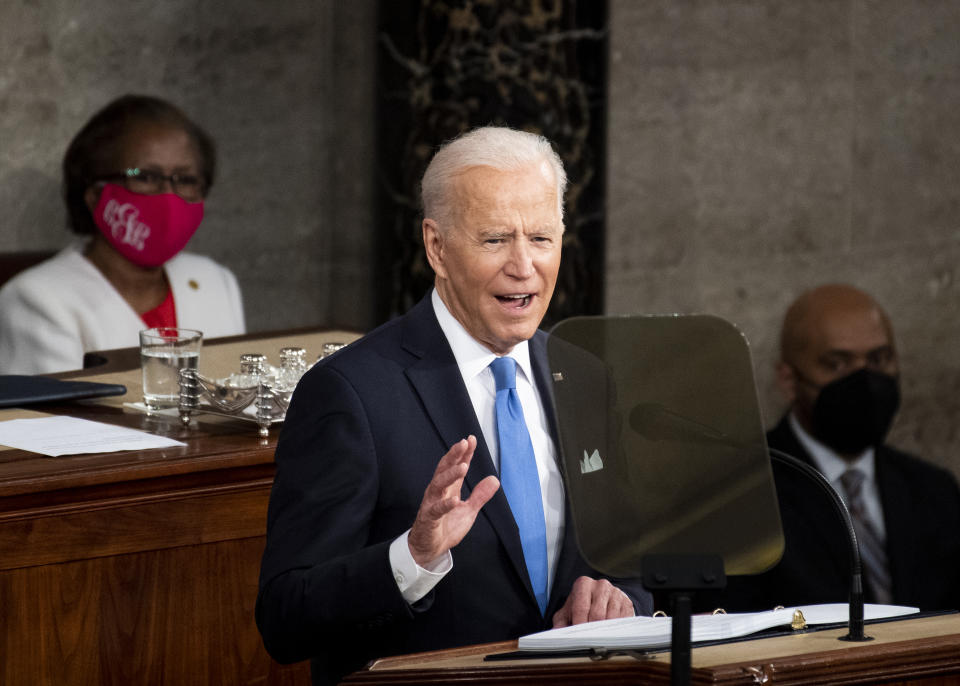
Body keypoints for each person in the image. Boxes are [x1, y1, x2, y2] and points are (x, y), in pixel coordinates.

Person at [256, 126, 652, 685]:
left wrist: (619, 596)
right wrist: (411, 558)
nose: (524, 266)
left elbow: (627, 559)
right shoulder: (351, 393)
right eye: (495, 240)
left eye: (541, 238)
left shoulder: (582, 375)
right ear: (437, 247)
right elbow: (284, 618)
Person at [720, 284, 960, 612]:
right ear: (789, 381)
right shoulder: (740, 498)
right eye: (837, 364)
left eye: (879, 359)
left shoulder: (935, 492)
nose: (864, 379)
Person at [0, 95, 245, 374]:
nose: (168, 196)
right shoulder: (36, 300)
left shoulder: (216, 281)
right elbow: (47, 417)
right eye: (145, 177)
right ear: (95, 194)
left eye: (186, 179)